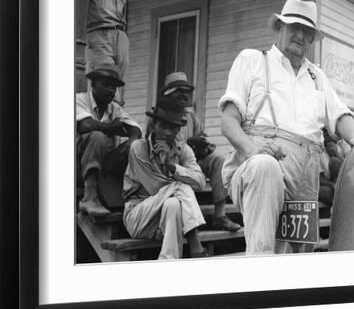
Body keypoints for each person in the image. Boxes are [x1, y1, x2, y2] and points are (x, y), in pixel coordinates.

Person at [219, 0, 354, 255]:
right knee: (266, 168)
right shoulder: (252, 60)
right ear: (280, 27)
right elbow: (228, 122)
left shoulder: (316, 76)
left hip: (305, 177)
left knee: (297, 257)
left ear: (311, 39)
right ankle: (259, 280)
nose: (300, 35)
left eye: (306, 32)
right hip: (256, 163)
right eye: (294, 27)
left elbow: (340, 115)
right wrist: (252, 149)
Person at [122, 97, 208, 259]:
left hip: (166, 221)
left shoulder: (183, 150)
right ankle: (195, 242)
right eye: (163, 126)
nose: (168, 133)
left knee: (173, 203)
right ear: (154, 125)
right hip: (139, 216)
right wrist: (178, 179)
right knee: (181, 188)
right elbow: (155, 188)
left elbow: (201, 182)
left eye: (173, 128)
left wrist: (172, 166)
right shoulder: (139, 148)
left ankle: (168, 262)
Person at [159, 72, 241, 232]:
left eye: (186, 92)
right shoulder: (160, 115)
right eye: (179, 91)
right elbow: (159, 143)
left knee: (219, 159)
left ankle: (219, 216)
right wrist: (189, 143)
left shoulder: (189, 116)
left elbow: (200, 136)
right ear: (169, 94)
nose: (184, 95)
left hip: (191, 161)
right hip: (169, 162)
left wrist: (203, 145)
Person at [76, 64, 142, 217]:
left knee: (137, 146)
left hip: (102, 166)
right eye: (105, 85)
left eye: (114, 87)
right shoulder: (79, 99)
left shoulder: (114, 108)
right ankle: (90, 198)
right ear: (93, 85)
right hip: (76, 165)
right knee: (97, 136)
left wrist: (132, 140)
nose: (111, 90)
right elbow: (86, 125)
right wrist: (112, 126)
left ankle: (132, 199)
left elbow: (135, 128)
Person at [76, 0, 129, 103]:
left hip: (121, 34)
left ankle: (115, 122)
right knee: (105, 82)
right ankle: (100, 122)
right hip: (99, 33)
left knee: (118, 88)